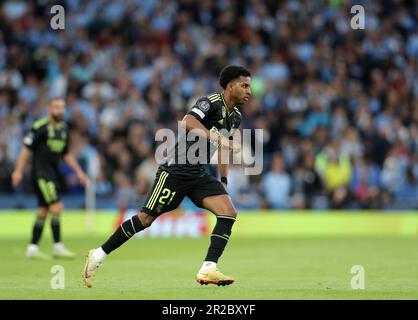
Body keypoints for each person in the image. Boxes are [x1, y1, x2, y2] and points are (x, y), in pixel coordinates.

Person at [83, 65, 252, 287]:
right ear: (230, 87)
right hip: (176, 170)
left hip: (198, 173)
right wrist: (220, 140)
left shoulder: (235, 116)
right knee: (145, 219)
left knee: (228, 212)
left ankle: (209, 267)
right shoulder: (210, 102)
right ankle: (97, 255)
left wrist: (223, 180)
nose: (249, 91)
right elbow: (188, 122)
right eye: (244, 85)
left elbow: (221, 149)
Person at [12, 97, 89, 259]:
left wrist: (79, 172)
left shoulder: (64, 129)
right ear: (49, 108)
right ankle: (58, 247)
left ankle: (32, 248)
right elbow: (26, 150)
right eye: (56, 107)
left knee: (43, 211)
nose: (59, 110)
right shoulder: (39, 127)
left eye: (62, 107)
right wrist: (18, 171)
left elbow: (66, 154)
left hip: (53, 174)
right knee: (56, 207)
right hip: (41, 174)